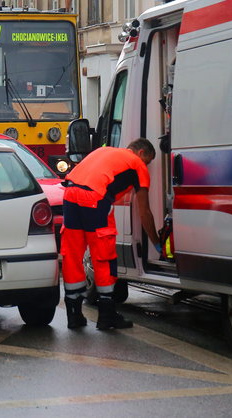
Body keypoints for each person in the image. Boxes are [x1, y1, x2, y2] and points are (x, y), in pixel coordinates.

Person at [61, 138, 159, 330]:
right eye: (148, 161)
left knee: (71, 255)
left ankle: (74, 316)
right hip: (95, 199)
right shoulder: (137, 164)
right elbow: (144, 211)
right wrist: (156, 243)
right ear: (141, 154)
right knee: (103, 256)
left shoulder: (103, 151)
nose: (146, 166)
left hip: (70, 194)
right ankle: (107, 316)